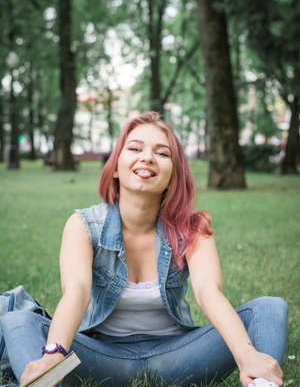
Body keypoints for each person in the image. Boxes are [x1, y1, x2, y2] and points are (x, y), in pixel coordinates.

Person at [1, 112, 287, 387]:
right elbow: (76, 291)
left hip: (178, 358)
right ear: (115, 166)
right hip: (102, 357)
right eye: (135, 148)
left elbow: (207, 292)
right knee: (19, 321)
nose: (147, 157)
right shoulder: (83, 225)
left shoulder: (193, 226)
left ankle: (261, 382)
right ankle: (47, 381)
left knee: (269, 308)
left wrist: (246, 355)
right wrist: (54, 355)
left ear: (174, 173)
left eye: (162, 153)